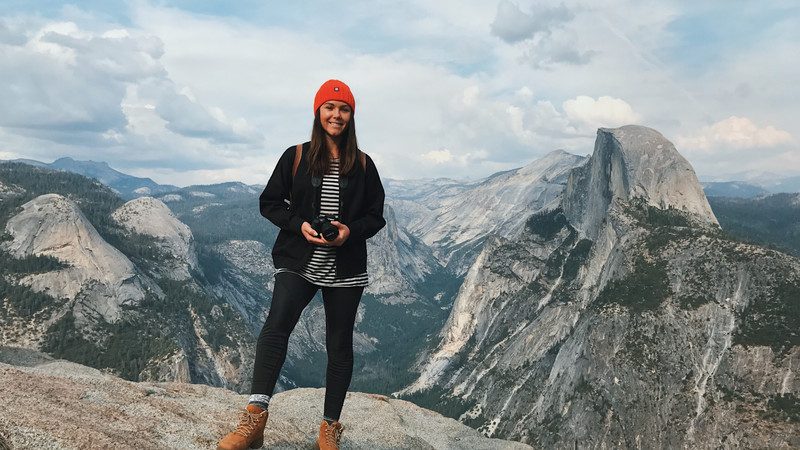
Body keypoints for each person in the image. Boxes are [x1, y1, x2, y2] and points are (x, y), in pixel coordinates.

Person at [217, 79, 386, 450]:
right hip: (298, 259)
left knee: (340, 344)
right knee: (276, 328)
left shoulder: (364, 164)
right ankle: (254, 420)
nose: (336, 115)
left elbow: (376, 217)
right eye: (329, 107)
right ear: (318, 112)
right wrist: (300, 225)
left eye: (343, 109)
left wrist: (348, 232)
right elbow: (270, 202)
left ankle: (329, 428)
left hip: (345, 268)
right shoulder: (295, 155)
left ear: (351, 116)